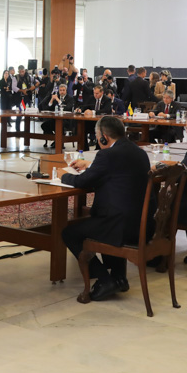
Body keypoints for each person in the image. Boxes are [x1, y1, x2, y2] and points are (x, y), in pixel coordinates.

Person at [60, 116, 151, 300]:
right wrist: (91, 165)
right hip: (144, 223)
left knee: (69, 233)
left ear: (103, 137)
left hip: (120, 226)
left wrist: (63, 175)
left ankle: (104, 279)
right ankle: (119, 278)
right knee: (105, 218)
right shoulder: (138, 151)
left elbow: (82, 181)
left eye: (97, 136)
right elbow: (117, 170)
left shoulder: (107, 155)